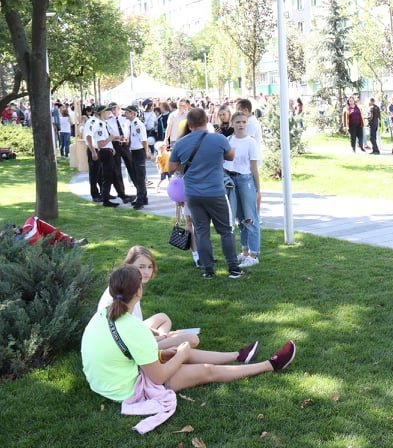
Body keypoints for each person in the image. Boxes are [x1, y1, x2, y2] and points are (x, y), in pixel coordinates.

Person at [81, 265, 296, 406]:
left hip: (103, 381)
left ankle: (238, 355)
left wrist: (173, 352)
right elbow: (159, 377)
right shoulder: (134, 328)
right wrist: (181, 355)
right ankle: (270, 365)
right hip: (123, 389)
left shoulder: (104, 313)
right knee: (206, 371)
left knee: (179, 352)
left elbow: (128, 349)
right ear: (138, 292)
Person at [168, 107, 245, 279]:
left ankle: (208, 270)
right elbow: (231, 156)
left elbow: (171, 168)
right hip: (215, 192)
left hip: (193, 194)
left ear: (189, 123)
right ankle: (233, 268)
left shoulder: (181, 143)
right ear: (206, 120)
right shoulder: (218, 139)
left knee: (201, 231)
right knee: (226, 230)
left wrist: (187, 165)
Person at [96, 246, 199, 350]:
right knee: (192, 339)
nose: (147, 272)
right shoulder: (125, 291)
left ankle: (164, 341)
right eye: (141, 267)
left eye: (150, 267)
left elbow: (136, 325)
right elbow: (129, 335)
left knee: (163, 318)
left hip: (131, 334)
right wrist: (163, 337)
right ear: (128, 266)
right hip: (125, 346)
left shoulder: (129, 284)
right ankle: (162, 346)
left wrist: (158, 334)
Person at [224, 112, 262, 268]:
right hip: (230, 181)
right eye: (238, 122)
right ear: (232, 123)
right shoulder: (228, 140)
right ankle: (245, 251)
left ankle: (254, 253)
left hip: (245, 180)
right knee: (239, 218)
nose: (241, 125)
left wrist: (258, 189)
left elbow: (253, 166)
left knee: (250, 218)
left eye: (243, 122)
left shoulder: (250, 142)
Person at [92, 105, 132, 207]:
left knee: (111, 176)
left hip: (109, 151)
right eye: (106, 112)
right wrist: (111, 138)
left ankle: (120, 195)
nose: (108, 114)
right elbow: (101, 143)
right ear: (101, 113)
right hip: (105, 152)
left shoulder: (103, 123)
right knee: (107, 177)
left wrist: (112, 147)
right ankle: (106, 199)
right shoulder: (100, 125)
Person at [123, 105, 151, 210]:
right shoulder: (131, 124)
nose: (125, 114)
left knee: (140, 177)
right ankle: (143, 197)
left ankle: (140, 200)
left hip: (139, 152)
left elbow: (143, 140)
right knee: (137, 176)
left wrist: (147, 151)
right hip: (134, 151)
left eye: (127, 112)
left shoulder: (138, 124)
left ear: (133, 113)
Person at [82, 107, 103, 202]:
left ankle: (103, 192)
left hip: (99, 149)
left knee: (100, 173)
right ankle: (95, 194)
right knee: (94, 173)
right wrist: (93, 152)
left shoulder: (100, 121)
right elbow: (89, 137)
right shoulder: (92, 122)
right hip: (93, 149)